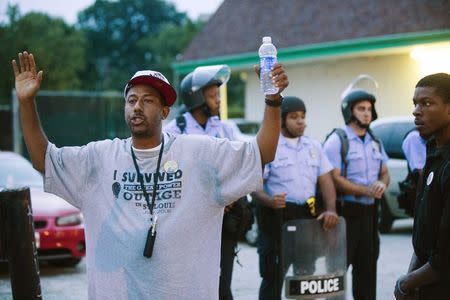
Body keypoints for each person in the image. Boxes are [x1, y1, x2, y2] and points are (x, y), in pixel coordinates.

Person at [11, 51, 289, 299]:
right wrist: (26, 103)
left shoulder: (199, 153)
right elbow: (43, 159)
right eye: (132, 100)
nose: (137, 107)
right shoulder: (99, 158)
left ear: (165, 111)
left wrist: (273, 101)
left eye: (148, 100)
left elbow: (261, 153)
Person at [164, 64, 245, 300]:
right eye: (212, 96)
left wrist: (231, 194)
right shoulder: (174, 132)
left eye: (218, 95)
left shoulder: (225, 129)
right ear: (197, 97)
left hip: (225, 220)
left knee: (223, 285)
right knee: (192, 282)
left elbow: (241, 164)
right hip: (191, 222)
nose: (218, 100)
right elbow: (171, 177)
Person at [252, 96, 339, 300]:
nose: (301, 121)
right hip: (276, 219)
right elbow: (254, 187)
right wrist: (269, 201)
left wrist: (331, 209)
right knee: (273, 278)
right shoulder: (269, 145)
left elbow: (326, 180)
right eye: (294, 117)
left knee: (306, 278)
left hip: (305, 218)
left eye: (303, 116)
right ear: (282, 120)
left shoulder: (313, 146)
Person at [323, 89, 390, 300]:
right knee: (337, 271)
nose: (367, 113)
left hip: (370, 214)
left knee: (368, 270)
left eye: (369, 109)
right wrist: (365, 190)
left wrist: (381, 183)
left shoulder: (375, 141)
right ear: (349, 111)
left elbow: (385, 172)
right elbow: (334, 178)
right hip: (346, 215)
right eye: (361, 109)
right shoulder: (337, 140)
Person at [394, 73, 450, 299]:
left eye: (427, 103)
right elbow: (424, 234)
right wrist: (411, 279)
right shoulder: (432, 153)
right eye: (415, 103)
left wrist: (405, 283)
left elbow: (444, 258)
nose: (417, 110)